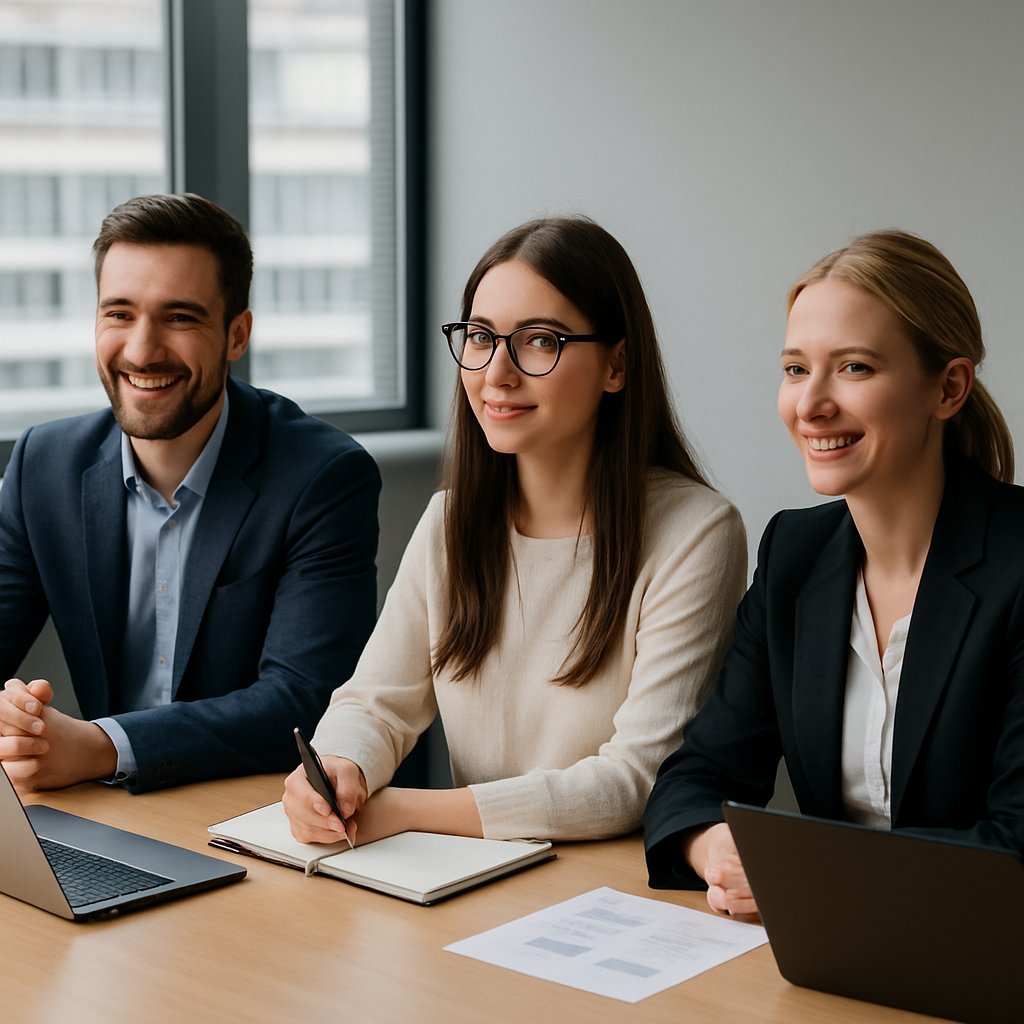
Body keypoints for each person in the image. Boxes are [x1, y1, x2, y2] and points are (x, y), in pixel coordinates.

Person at [283, 215, 746, 847]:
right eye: (479, 337)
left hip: (614, 893)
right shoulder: (451, 522)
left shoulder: (696, 532)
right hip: (473, 879)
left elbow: (636, 779)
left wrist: (410, 811)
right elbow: (376, 704)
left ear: (616, 365)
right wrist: (341, 766)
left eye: (538, 341)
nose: (496, 372)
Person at [644, 229, 1023, 922]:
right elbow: (696, 776)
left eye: (853, 368)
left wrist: (814, 883)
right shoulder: (796, 554)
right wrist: (716, 847)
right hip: (834, 962)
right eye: (794, 369)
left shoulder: (1018, 567)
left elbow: (1014, 849)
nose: (811, 404)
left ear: (949, 388)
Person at [0, 193, 380, 794]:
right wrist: (17, 723)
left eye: (179, 317)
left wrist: (100, 746)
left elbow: (304, 701)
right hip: (114, 814)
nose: (142, 350)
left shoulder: (323, 476)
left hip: (269, 818)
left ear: (237, 334)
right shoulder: (42, 465)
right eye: (119, 314)